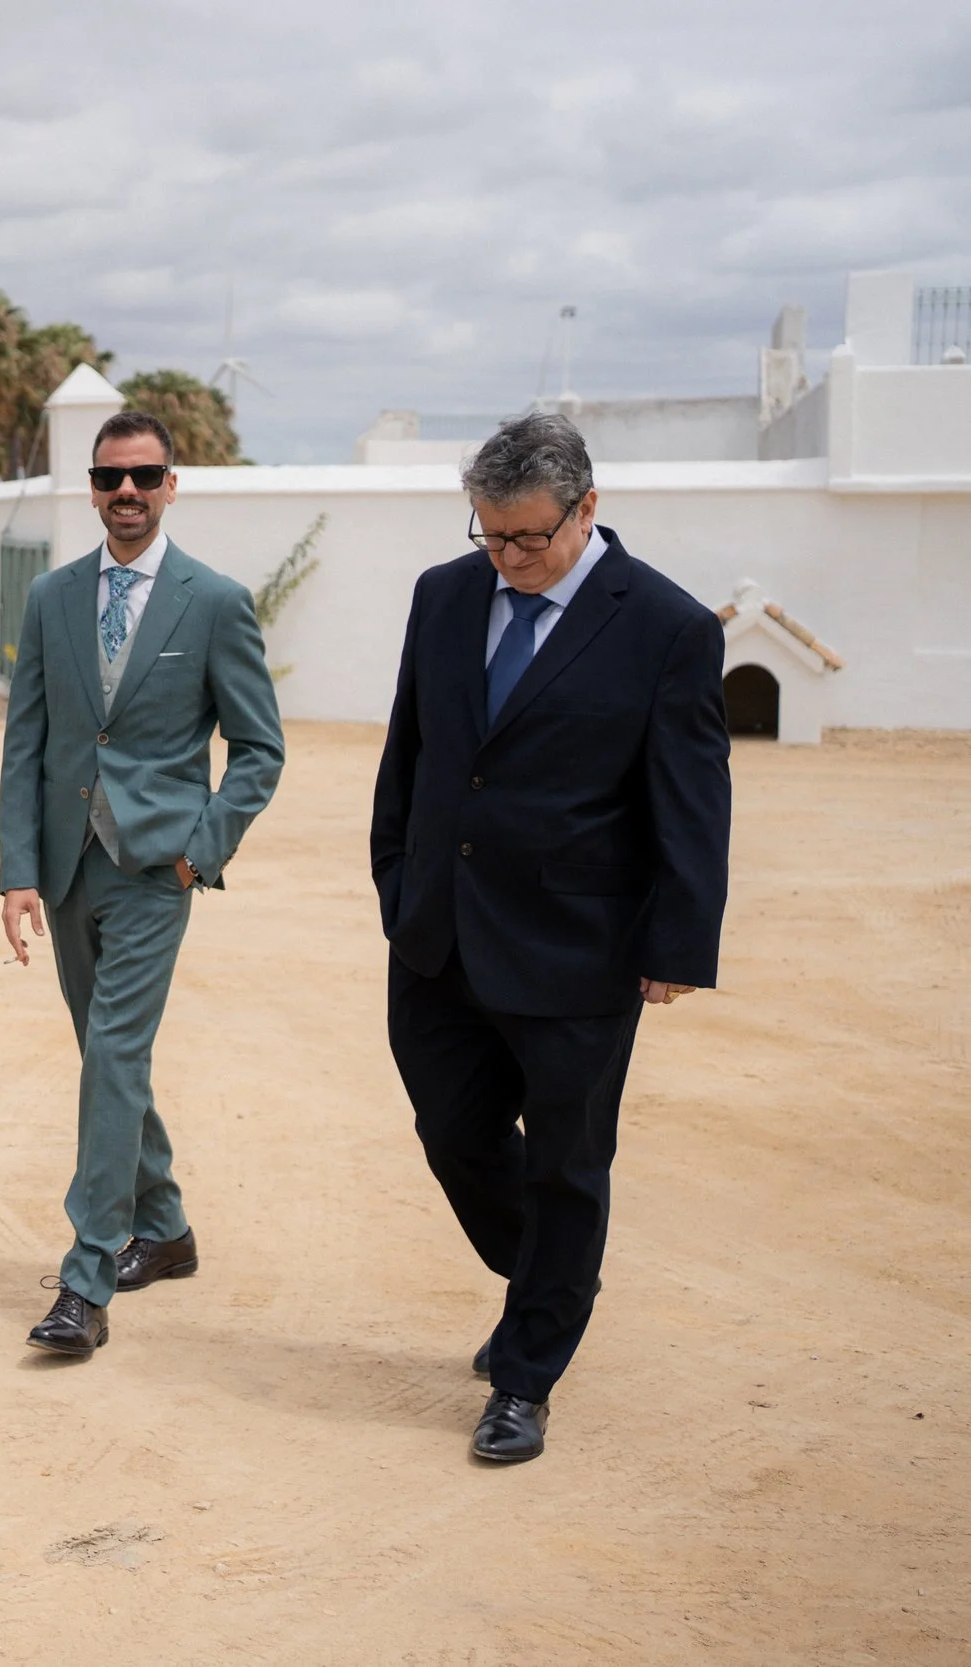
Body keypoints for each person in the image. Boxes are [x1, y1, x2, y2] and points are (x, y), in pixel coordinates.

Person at [371, 411, 730, 1464]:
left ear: (586, 507)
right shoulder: (444, 593)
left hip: (578, 948)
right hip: (436, 932)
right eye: (491, 534)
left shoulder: (666, 626)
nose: (508, 558)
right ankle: (554, 1277)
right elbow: (414, 751)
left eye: (529, 538)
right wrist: (396, 880)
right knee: (452, 1133)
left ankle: (525, 1372)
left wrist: (677, 941)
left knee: (569, 1163)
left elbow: (691, 796)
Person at [0, 410, 285, 1358]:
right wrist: (17, 872)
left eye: (144, 476)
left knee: (114, 1054)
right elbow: (27, 741)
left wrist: (204, 847)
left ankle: (88, 1276)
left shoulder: (215, 601)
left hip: (158, 866)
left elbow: (258, 748)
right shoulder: (51, 596)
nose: (127, 492)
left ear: (171, 485)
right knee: (105, 1054)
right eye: (110, 477)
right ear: (91, 486)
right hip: (69, 862)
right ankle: (165, 1227)